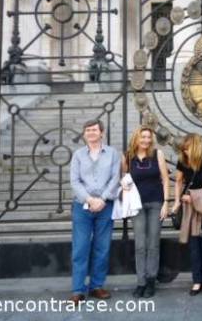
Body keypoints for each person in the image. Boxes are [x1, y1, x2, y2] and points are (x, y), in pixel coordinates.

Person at [69, 119, 121, 304]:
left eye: (94, 130)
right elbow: (75, 181)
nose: (91, 133)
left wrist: (103, 199)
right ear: (84, 134)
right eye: (87, 130)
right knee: (81, 248)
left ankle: (97, 286)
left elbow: (115, 178)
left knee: (102, 247)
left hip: (105, 206)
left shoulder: (113, 153)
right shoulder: (78, 155)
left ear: (102, 133)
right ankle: (78, 289)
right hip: (82, 207)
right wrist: (90, 199)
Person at [122, 126, 170, 298]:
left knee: (153, 244)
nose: (146, 140)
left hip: (156, 202)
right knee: (140, 244)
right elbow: (123, 178)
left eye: (149, 137)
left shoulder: (157, 154)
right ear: (136, 138)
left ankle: (151, 280)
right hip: (137, 205)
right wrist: (123, 184)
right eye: (143, 137)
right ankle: (140, 282)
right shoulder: (128, 156)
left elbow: (165, 179)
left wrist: (166, 203)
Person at [173, 133, 202, 296]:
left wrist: (192, 197)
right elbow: (178, 181)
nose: (185, 152)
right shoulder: (183, 161)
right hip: (190, 208)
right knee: (194, 245)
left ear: (196, 146)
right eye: (183, 149)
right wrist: (177, 200)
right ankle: (197, 281)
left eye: (188, 148)